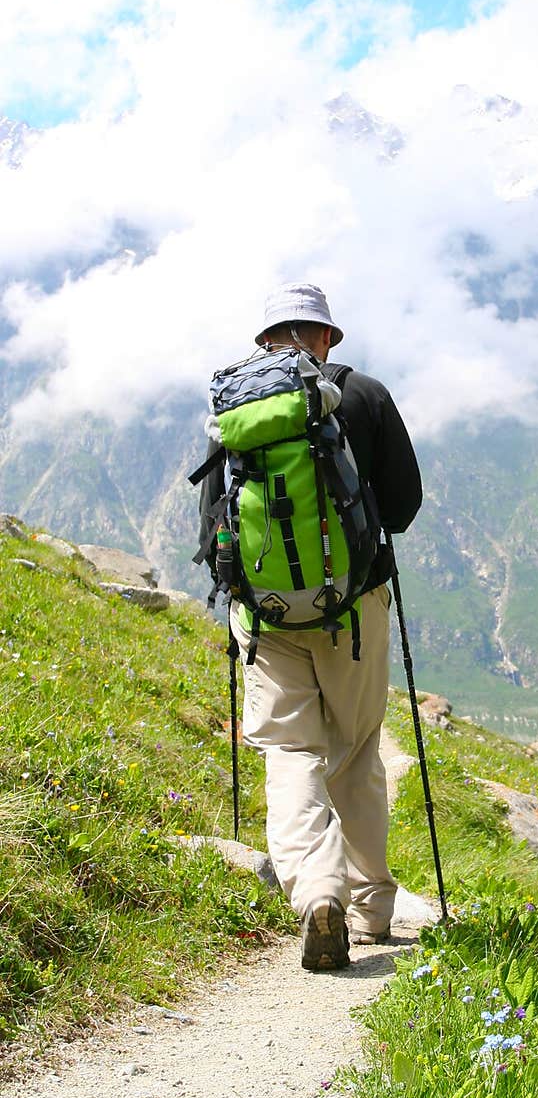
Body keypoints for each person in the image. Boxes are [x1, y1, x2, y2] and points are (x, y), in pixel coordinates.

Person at [197, 282, 422, 972]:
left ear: (267, 340)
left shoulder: (237, 409)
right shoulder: (366, 395)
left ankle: (316, 890)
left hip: (266, 619)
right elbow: (405, 505)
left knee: (291, 753)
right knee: (355, 752)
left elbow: (213, 526)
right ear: (326, 337)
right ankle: (370, 908)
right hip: (354, 609)